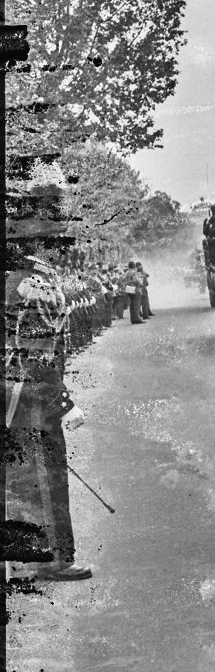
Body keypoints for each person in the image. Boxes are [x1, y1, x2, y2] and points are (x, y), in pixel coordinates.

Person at [5, 152, 93, 580]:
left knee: (20, 478)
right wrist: (63, 401)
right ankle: (54, 560)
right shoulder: (29, 279)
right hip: (29, 397)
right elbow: (36, 352)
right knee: (45, 478)